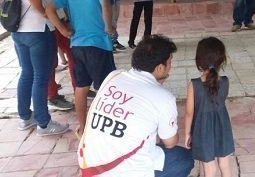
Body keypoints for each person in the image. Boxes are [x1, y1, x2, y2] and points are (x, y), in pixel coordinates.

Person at [77, 35, 194, 177]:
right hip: (122, 171)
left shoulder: (113, 76)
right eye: (169, 62)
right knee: (184, 159)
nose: (171, 67)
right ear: (159, 68)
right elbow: (169, 142)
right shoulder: (164, 98)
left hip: (88, 165)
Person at [46, 0, 117, 139]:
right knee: (106, 88)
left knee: (81, 87)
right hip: (99, 45)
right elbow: (106, 8)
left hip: (77, 46)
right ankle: (104, 128)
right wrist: (109, 28)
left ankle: (84, 127)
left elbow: (50, 8)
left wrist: (62, 30)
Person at [8, 0, 69, 136]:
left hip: (19, 31)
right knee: (41, 77)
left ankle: (26, 117)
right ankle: (44, 122)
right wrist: (46, 15)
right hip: (38, 31)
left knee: (27, 73)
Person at [184, 37, 234, 177]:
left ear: (198, 61)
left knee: (209, 169)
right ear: (222, 60)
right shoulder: (225, 82)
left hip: (202, 130)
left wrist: (188, 134)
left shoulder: (194, 85)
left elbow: (189, 113)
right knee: (225, 165)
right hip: (222, 127)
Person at [43, 0, 75, 110]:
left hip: (60, 19)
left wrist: (67, 19)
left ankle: (79, 87)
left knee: (72, 52)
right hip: (46, 24)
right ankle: (52, 95)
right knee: (51, 60)